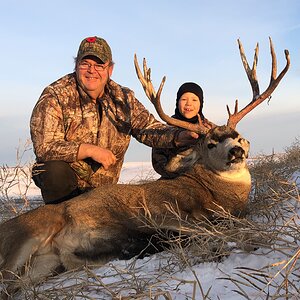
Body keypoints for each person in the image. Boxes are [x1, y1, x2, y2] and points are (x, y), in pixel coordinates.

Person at [30, 36, 199, 204]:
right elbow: (45, 147)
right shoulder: (55, 95)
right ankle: (61, 219)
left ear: (110, 70)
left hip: (103, 192)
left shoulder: (123, 98)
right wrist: (89, 150)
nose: (91, 70)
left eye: (99, 65)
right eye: (85, 64)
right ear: (76, 65)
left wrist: (180, 136)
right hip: (66, 190)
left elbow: (148, 128)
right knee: (52, 170)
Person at [152, 82, 212, 178]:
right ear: (177, 102)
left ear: (201, 104)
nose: (189, 104)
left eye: (194, 100)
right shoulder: (166, 129)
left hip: (206, 180)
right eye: (184, 99)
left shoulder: (210, 129)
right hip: (173, 181)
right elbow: (158, 162)